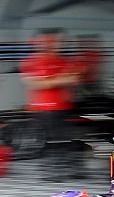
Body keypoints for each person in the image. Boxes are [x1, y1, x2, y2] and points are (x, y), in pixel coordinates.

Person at [20, 29, 80, 177]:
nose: (54, 44)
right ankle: (51, 171)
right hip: (44, 109)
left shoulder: (64, 61)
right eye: (50, 41)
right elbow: (34, 84)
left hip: (64, 107)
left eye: (57, 41)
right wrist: (60, 80)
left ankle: (68, 170)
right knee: (51, 140)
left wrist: (53, 81)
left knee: (67, 138)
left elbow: (74, 79)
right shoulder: (31, 62)